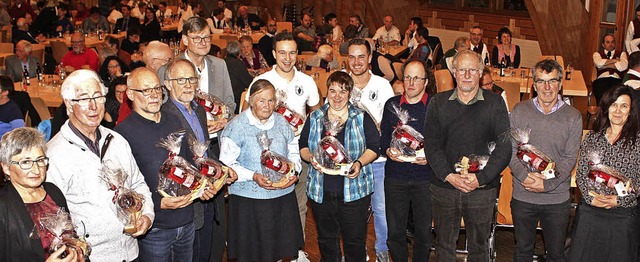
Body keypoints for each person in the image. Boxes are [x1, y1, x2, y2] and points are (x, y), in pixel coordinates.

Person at [46, 69, 154, 261]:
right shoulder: (55, 154)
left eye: (98, 97)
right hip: (92, 257)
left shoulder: (117, 141)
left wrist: (147, 215)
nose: (93, 106)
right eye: (84, 99)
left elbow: (138, 184)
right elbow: (51, 217)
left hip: (131, 252)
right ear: (69, 105)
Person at [115, 67, 216, 261]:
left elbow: (188, 164)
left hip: (187, 220)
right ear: (130, 94)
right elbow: (123, 191)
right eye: (146, 90)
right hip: (154, 228)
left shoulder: (174, 120)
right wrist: (157, 203)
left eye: (156, 88)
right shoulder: (122, 134)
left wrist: (202, 185)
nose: (154, 95)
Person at [158, 16, 235, 262]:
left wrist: (222, 167)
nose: (188, 85)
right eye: (181, 81)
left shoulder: (201, 104)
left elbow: (229, 105)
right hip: (186, 184)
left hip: (211, 167)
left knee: (210, 242)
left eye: (192, 80)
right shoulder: (167, 105)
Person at [423, 49, 511, 261]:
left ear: (481, 73)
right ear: (454, 72)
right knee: (443, 245)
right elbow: (431, 145)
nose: (467, 75)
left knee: (480, 248)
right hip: (444, 187)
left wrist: (481, 178)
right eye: (462, 70)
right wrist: (449, 176)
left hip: (481, 189)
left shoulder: (495, 103)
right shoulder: (437, 103)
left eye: (472, 70)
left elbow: (505, 147)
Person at [244, 31, 321, 261]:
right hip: (267, 154)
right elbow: (248, 117)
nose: (287, 58)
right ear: (274, 53)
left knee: (299, 203)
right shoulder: (261, 81)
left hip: (298, 152)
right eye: (282, 53)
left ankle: (297, 250)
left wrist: (308, 134)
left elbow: (317, 115)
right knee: (270, 205)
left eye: (292, 53)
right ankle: (272, 252)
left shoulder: (307, 81)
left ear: (298, 54)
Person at [298, 71, 380, 261]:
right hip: (321, 190)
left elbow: (375, 147)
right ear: (326, 92)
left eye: (342, 91)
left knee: (355, 242)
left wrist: (359, 163)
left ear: (350, 93)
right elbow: (303, 147)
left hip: (354, 191)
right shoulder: (315, 117)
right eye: (332, 91)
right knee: (327, 240)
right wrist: (312, 159)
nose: (337, 97)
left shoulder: (361, 117)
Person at [219, 79, 304, 261]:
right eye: (262, 101)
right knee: (253, 253)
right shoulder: (236, 126)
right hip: (249, 202)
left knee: (279, 250)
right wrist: (253, 176)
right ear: (251, 100)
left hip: (281, 197)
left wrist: (294, 171)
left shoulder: (282, 122)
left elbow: (293, 150)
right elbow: (226, 163)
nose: (267, 106)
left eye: (271, 100)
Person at [509, 59, 582, 262]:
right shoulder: (519, 110)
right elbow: (510, 151)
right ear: (534, 85)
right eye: (541, 81)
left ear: (560, 84)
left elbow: (569, 158)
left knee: (556, 255)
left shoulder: (573, 117)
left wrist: (547, 184)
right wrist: (525, 177)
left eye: (552, 81)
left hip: (556, 199)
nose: (547, 87)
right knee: (522, 251)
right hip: (524, 194)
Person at [570, 85, 640, 261]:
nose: (617, 111)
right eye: (614, 105)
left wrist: (620, 199)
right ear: (606, 107)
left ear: (630, 111)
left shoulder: (638, 141)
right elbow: (581, 174)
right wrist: (591, 197)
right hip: (592, 208)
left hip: (622, 213)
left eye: (624, 106)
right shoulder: (592, 138)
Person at [380, 61, 434, 261]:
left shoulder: (435, 105)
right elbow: (384, 136)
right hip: (396, 175)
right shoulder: (391, 105)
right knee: (395, 231)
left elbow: (443, 140)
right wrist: (387, 149)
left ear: (426, 82)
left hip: (425, 177)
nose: (411, 82)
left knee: (423, 232)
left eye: (416, 78)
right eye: (407, 77)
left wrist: (430, 155)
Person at [0, 127, 80, 262]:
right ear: (6, 167)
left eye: (40, 160)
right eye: (25, 162)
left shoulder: (53, 192)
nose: (36, 169)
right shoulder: (3, 207)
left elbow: (70, 236)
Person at [347, 38, 395, 261]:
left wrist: (375, 124)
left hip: (378, 160)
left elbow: (392, 124)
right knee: (353, 212)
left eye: (361, 56)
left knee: (382, 209)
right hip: (350, 160)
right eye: (352, 57)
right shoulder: (341, 84)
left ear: (370, 58)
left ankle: (383, 249)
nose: (357, 62)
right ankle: (357, 252)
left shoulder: (382, 86)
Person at [593, 33, 628, 103]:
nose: (610, 44)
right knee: (602, 96)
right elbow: (599, 63)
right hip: (601, 79)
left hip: (617, 79)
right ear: (603, 44)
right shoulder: (597, 54)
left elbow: (623, 66)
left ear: (615, 43)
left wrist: (604, 66)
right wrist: (615, 61)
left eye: (612, 42)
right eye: (608, 42)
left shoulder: (622, 54)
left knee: (616, 96)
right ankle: (603, 112)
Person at [224, 40, 253, 114]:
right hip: (236, 100)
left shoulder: (222, 62)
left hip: (223, 99)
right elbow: (248, 82)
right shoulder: (239, 64)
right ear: (239, 52)